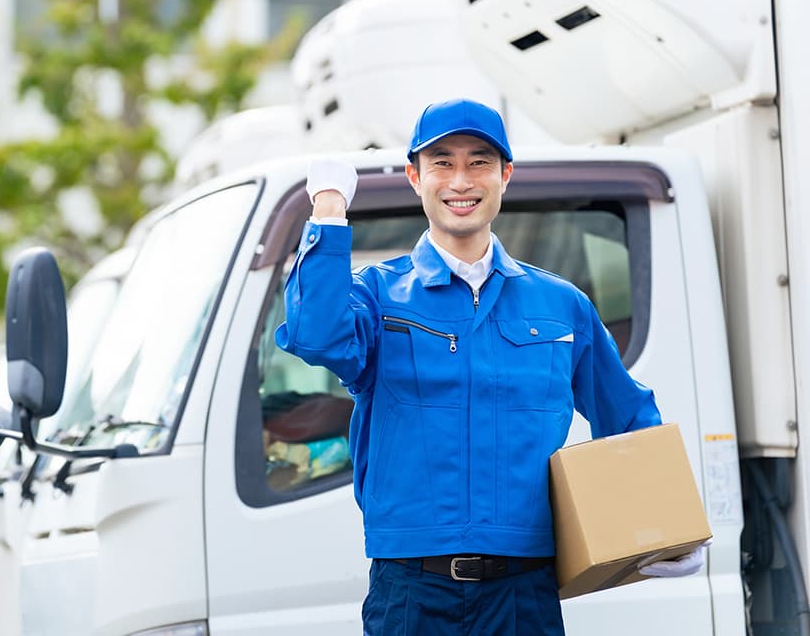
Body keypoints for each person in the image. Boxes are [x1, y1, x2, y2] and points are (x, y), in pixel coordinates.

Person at [274, 99, 706, 635]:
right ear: (415, 177)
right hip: (410, 593)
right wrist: (330, 209)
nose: (461, 180)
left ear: (505, 175)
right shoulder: (377, 296)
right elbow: (316, 335)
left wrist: (667, 522)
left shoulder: (561, 305)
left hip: (524, 594)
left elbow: (626, 411)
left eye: (479, 162)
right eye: (442, 163)